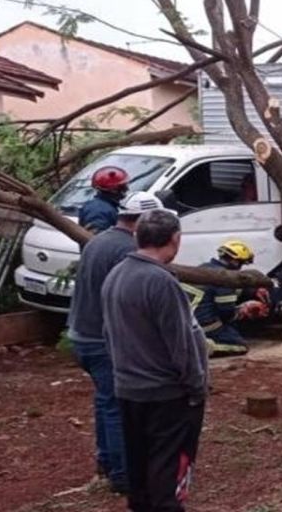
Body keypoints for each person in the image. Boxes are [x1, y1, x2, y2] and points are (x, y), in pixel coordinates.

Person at [102, 209, 208, 512]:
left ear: (137, 236)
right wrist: (196, 387)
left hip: (128, 389)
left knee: (139, 463)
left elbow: (108, 335)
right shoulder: (161, 281)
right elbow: (182, 344)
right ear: (175, 239)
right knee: (169, 466)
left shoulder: (116, 275)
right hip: (166, 394)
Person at [66, 191, 164, 494]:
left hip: (81, 335)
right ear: (143, 222)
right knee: (120, 407)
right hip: (102, 339)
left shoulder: (98, 241)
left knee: (105, 402)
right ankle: (125, 476)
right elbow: (130, 301)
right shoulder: (126, 250)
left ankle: (108, 463)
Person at [183, 240, 269, 357]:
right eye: (242, 263)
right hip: (205, 326)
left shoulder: (204, 269)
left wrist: (253, 291)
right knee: (240, 345)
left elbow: (226, 290)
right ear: (235, 262)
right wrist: (245, 308)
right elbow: (227, 315)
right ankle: (205, 346)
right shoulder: (225, 280)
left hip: (185, 322)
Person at [80, 166, 130, 234]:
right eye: (124, 187)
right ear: (114, 190)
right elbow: (95, 239)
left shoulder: (109, 206)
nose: (127, 190)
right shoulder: (98, 211)